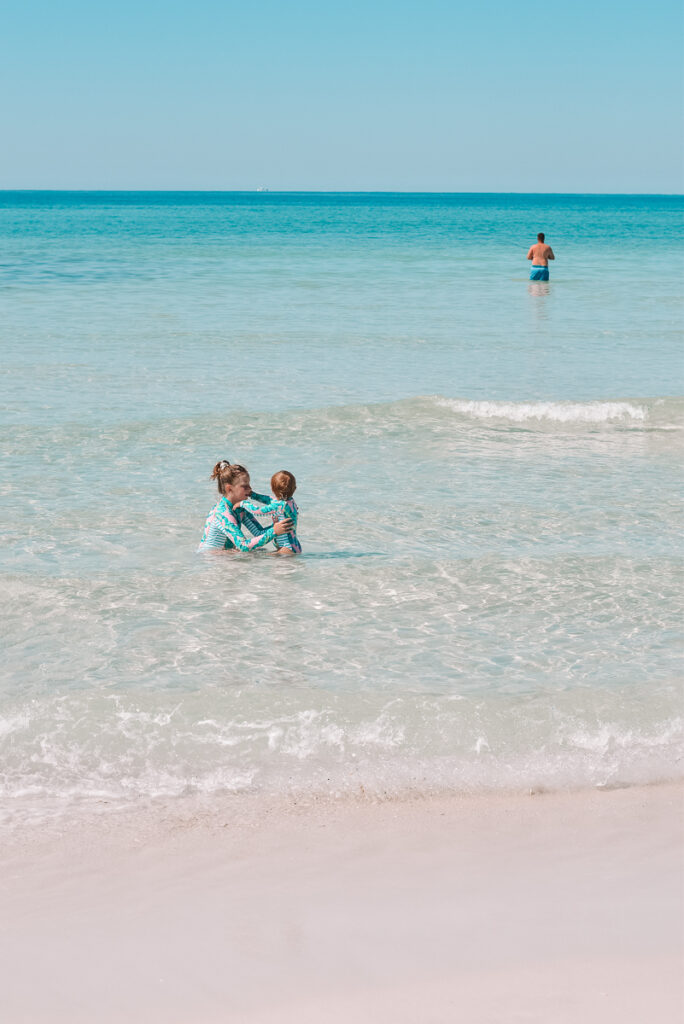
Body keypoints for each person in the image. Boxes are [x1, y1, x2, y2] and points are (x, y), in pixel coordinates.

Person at [198, 461, 293, 553]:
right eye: (245, 486)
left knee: (262, 552)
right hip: (210, 559)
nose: (250, 489)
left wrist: (279, 526)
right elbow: (243, 546)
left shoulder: (240, 509)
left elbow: (258, 532)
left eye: (249, 485)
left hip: (226, 555)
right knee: (259, 554)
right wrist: (274, 531)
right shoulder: (223, 513)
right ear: (229, 488)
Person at [239, 470, 302, 555]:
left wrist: (242, 503)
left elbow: (257, 511)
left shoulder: (278, 506)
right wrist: (253, 495)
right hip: (295, 546)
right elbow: (270, 499)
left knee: (259, 557)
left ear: (272, 489)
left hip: (286, 549)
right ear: (294, 488)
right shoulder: (291, 502)